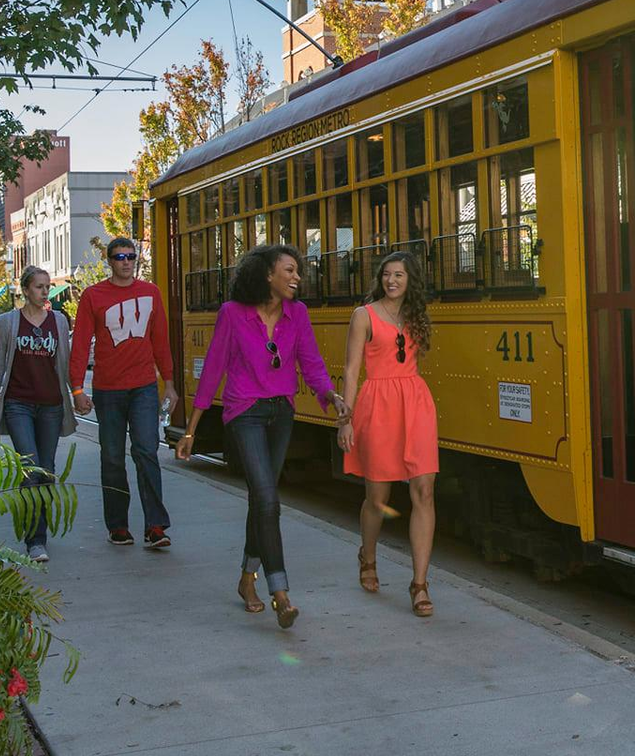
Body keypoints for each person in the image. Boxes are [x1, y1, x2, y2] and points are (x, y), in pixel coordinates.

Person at [175, 245, 342, 629]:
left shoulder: (297, 314)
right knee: (268, 498)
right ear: (268, 275)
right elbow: (213, 369)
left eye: (298, 271)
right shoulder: (232, 314)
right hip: (245, 412)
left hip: (281, 412)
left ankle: (246, 578)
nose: (297, 277)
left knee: (261, 500)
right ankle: (280, 593)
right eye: (289, 270)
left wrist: (330, 395)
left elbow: (311, 362)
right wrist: (191, 430)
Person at [338, 251, 440, 618]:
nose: (391, 281)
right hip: (377, 406)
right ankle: (368, 556)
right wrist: (346, 419)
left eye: (398, 275)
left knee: (424, 490)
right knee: (378, 496)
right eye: (386, 275)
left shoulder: (416, 315)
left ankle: (420, 584)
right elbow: (351, 371)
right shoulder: (363, 316)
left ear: (410, 279)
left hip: (415, 403)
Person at [69, 236, 178, 550]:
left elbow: (161, 341)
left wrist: (168, 383)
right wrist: (77, 388)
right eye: (119, 257)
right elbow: (80, 345)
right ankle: (118, 526)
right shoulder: (93, 295)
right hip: (108, 390)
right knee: (112, 458)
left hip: (144, 387)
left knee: (146, 451)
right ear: (110, 261)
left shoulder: (151, 292)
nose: (126, 262)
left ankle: (156, 526)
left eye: (131, 256)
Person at [0, 266, 77, 562]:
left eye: (47, 286)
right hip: (18, 404)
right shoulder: (7, 322)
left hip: (51, 405)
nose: (44, 291)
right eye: (39, 286)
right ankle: (35, 540)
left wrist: (77, 394)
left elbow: (65, 363)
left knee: (47, 471)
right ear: (25, 290)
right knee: (32, 469)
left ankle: (38, 527)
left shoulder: (59, 321)